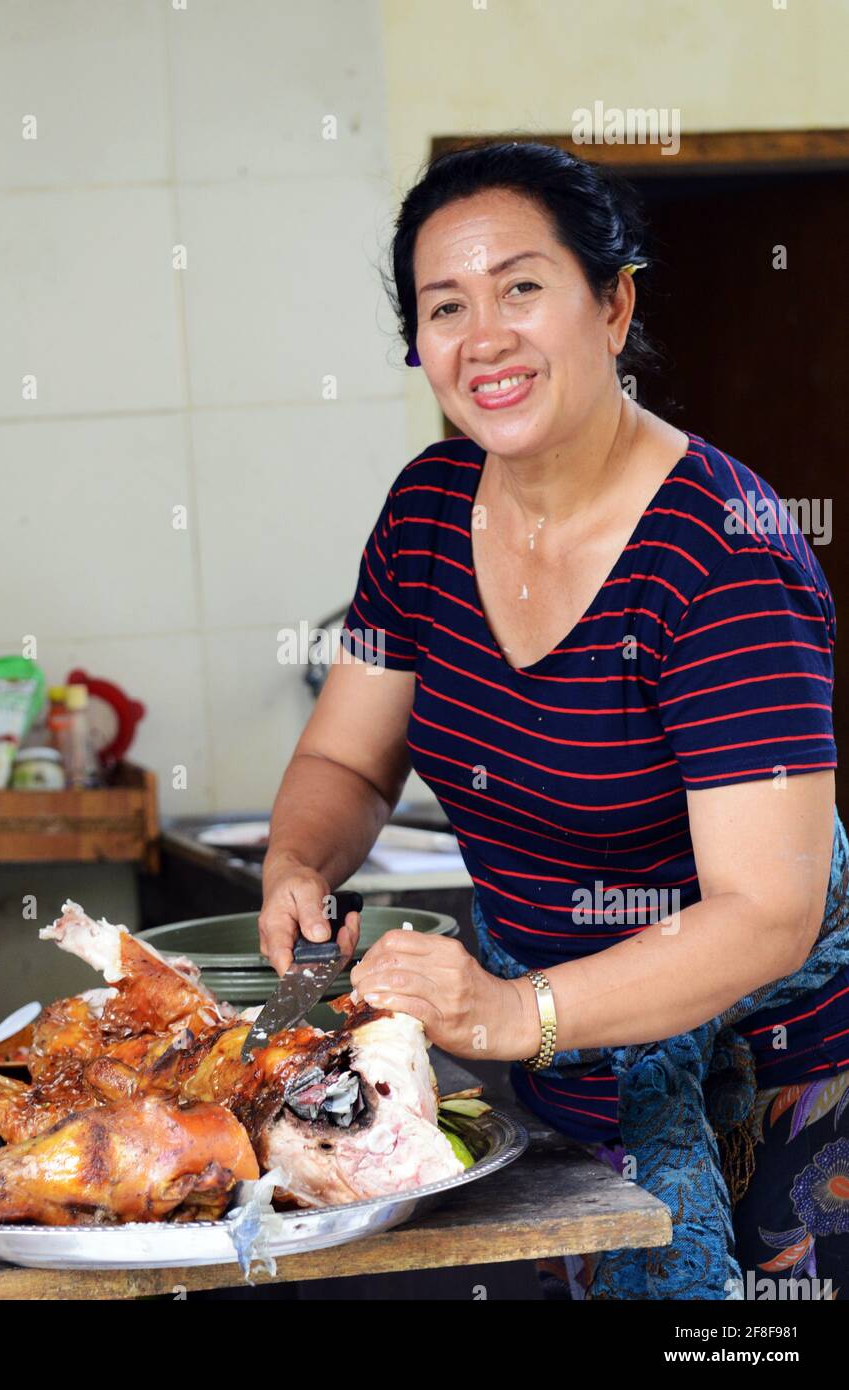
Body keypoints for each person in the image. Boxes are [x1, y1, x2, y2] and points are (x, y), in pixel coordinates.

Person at [258, 141, 849, 1300]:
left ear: (612, 301)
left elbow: (765, 914)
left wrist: (505, 1007)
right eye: (445, 305)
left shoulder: (722, 552)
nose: (483, 337)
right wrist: (297, 860)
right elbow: (343, 752)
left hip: (767, 1074)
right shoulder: (425, 513)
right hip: (569, 1061)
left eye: (521, 287)